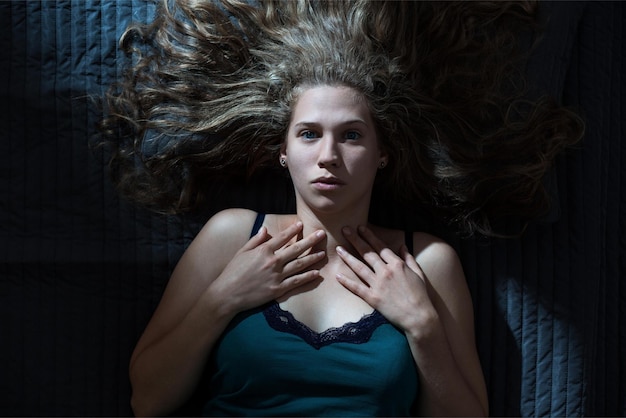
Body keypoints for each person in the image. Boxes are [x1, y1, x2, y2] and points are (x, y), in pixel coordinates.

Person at [99, 0, 583, 416]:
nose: (328, 155)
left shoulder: (428, 263)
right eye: (309, 134)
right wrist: (223, 297)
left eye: (351, 135)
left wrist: (423, 326)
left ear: (382, 154)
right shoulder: (233, 236)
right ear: (282, 151)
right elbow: (147, 400)